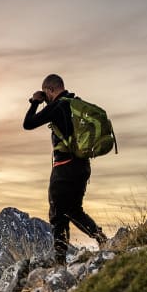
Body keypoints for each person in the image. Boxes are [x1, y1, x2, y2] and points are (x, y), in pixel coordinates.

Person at [23, 74, 107, 265]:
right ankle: (101, 238)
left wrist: (35, 102)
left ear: (49, 90)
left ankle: (59, 262)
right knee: (74, 210)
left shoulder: (58, 105)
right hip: (82, 166)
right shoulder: (75, 104)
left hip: (64, 168)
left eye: (46, 93)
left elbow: (28, 124)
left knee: (57, 214)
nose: (46, 97)